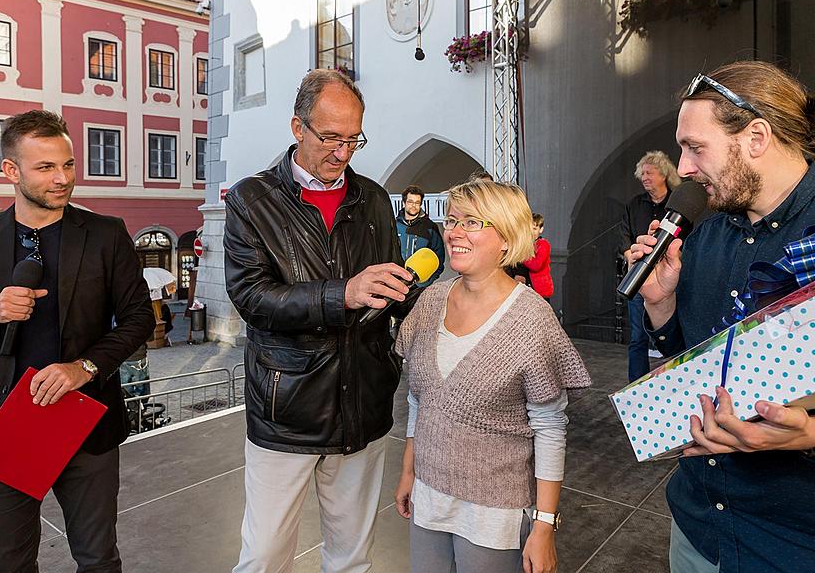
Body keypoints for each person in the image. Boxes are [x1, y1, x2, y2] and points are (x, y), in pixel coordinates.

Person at [629, 61, 815, 572]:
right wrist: (662, 305)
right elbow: (687, 361)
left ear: (757, 137)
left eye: (695, 148)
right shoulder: (706, 236)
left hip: (799, 543)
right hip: (699, 525)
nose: (687, 168)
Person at [0, 110, 155, 573]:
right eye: (46, 168)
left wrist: (85, 368)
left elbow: (138, 319)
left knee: (98, 560)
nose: (63, 179)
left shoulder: (106, 234)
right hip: (2, 427)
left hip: (85, 424)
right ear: (11, 171)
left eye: (68, 165)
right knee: (10, 565)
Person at [224, 69, 414, 572]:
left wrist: (405, 293)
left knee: (351, 556)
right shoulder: (251, 199)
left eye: (354, 138)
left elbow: (386, 290)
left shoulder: (373, 198)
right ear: (297, 127)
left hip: (362, 401)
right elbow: (252, 297)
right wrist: (343, 294)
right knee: (264, 556)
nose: (343, 152)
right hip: (287, 406)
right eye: (330, 137)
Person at [393, 180, 591, 573]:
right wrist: (408, 471)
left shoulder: (532, 318)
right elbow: (420, 399)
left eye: (471, 222)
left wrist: (544, 525)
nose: (453, 232)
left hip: (493, 510)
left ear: (506, 238)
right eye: (451, 220)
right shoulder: (431, 301)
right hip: (429, 494)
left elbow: (550, 426)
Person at [620, 150, 682, 383]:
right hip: (640, 280)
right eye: (642, 173)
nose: (644, 177)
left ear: (664, 174)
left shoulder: (678, 204)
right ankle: (636, 387)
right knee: (637, 338)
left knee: (676, 338)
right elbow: (624, 240)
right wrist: (634, 262)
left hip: (674, 280)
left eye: (649, 172)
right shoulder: (633, 205)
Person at [396, 184, 445, 287]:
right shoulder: (394, 226)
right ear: (404, 203)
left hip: (419, 287)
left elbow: (438, 259)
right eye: (410, 202)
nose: (414, 206)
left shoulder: (430, 227)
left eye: (417, 203)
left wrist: (425, 282)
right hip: (396, 284)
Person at [521, 213, 554, 301]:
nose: (531, 232)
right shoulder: (527, 244)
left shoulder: (543, 244)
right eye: (529, 228)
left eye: (535, 229)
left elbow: (536, 266)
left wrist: (521, 256)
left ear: (541, 229)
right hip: (530, 288)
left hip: (541, 290)